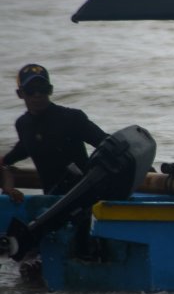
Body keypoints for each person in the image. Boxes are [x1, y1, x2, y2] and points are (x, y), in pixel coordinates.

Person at [2, 64, 108, 202]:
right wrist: (6, 170)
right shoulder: (23, 125)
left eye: (42, 89)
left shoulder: (72, 118)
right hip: (53, 204)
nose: (37, 94)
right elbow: (24, 148)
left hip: (86, 197)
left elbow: (106, 144)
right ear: (20, 93)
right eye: (31, 90)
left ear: (50, 90)